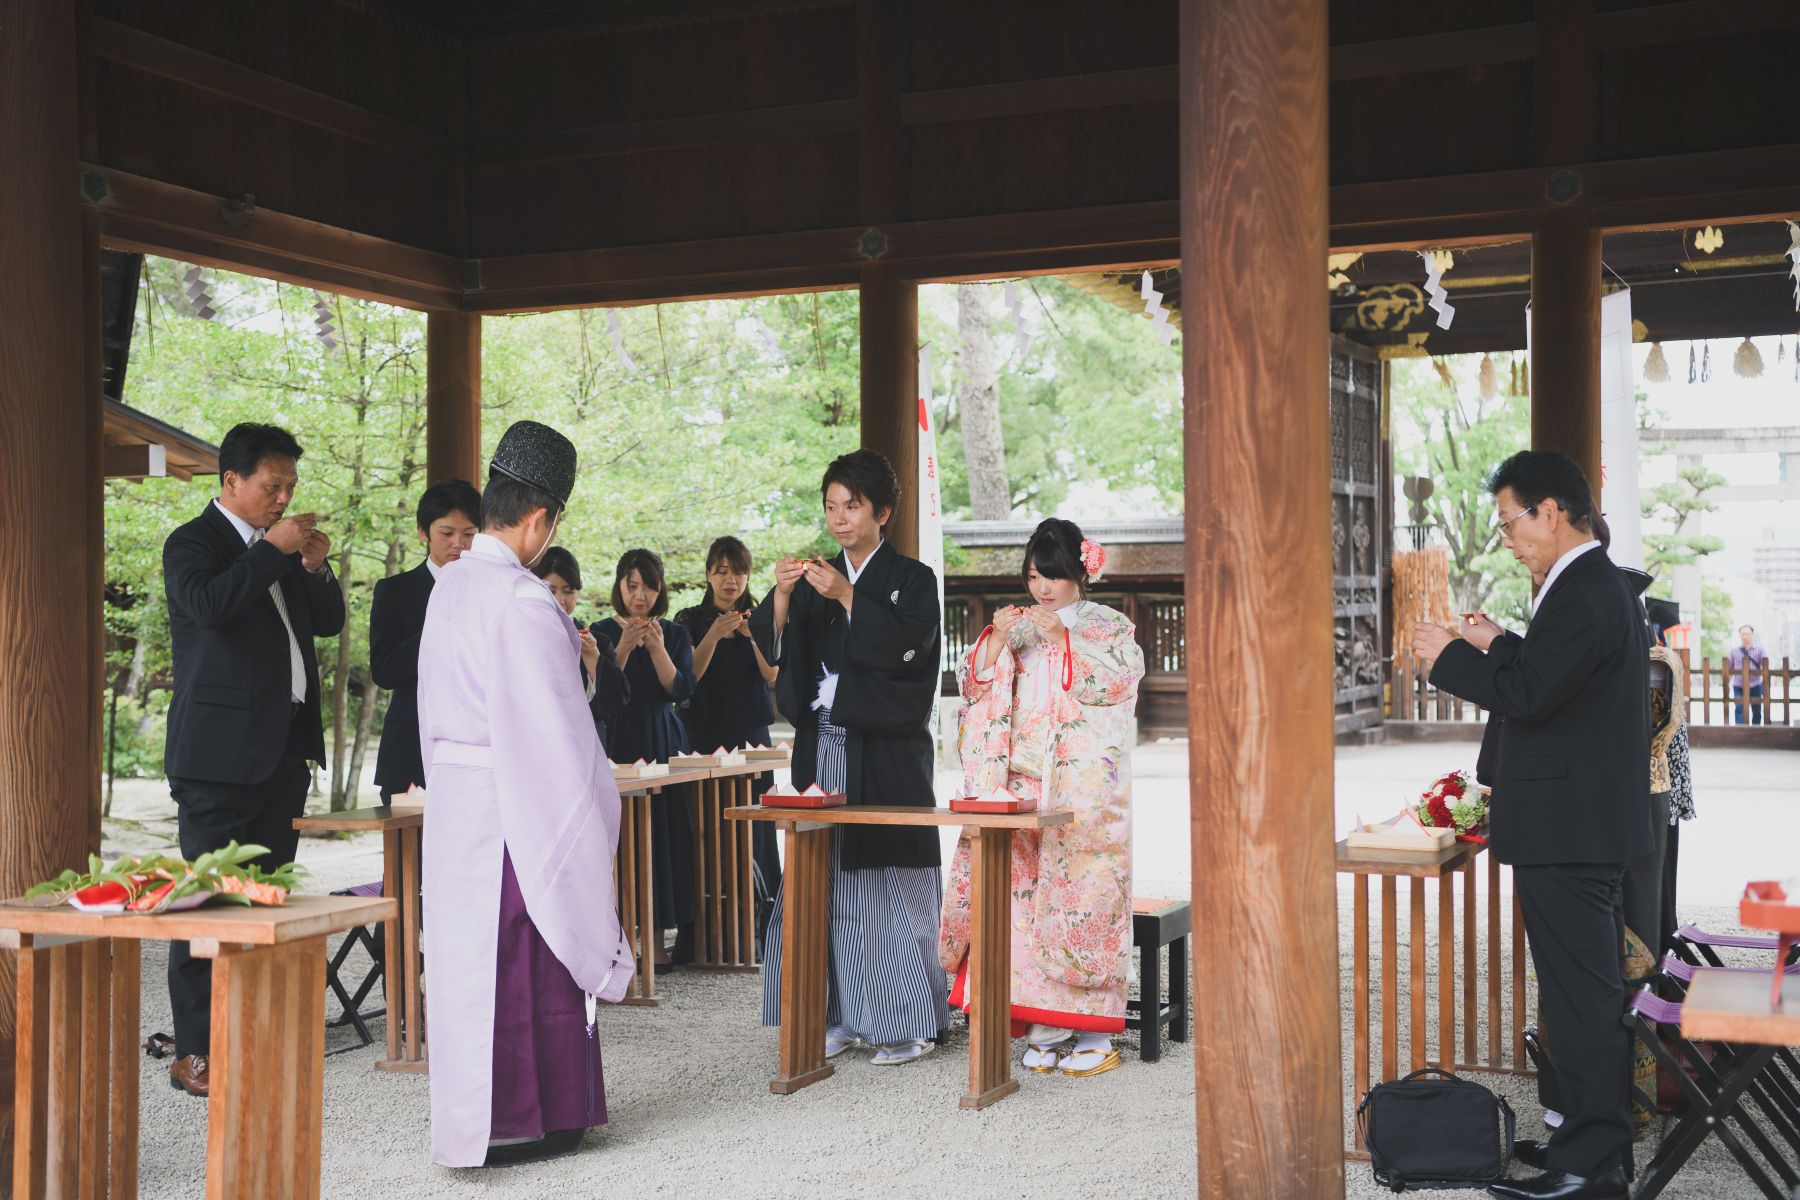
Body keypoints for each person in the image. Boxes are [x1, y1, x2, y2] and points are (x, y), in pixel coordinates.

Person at [1414, 450, 1648, 1200]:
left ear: (1549, 511)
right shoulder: (1588, 585)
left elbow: (1533, 693)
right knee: (1578, 994)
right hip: (1576, 823)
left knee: (1583, 1000)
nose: (1509, 540)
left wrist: (1447, 656)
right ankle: (1582, 1142)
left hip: (1571, 829)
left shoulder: (1584, 588)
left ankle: (1595, 1164)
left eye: (1511, 522)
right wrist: (1494, 642)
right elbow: (1553, 677)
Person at [416, 420, 633, 1168]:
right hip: (513, 801)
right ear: (541, 519)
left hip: (455, 800)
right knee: (527, 948)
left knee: (469, 961)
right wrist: (595, 798)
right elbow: (557, 733)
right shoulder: (524, 602)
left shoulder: (447, 588)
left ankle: (475, 1118)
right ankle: (532, 1119)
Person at [161, 422, 346, 1097]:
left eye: (290, 487)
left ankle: (257, 1034)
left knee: (265, 901)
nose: (284, 498)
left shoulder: (284, 552)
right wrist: (271, 551)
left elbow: (326, 625)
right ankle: (196, 1051)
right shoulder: (192, 543)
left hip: (283, 755)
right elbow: (209, 608)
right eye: (273, 486)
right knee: (205, 903)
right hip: (215, 759)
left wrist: (315, 570)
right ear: (231, 482)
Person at [750, 449, 948, 1066]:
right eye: (831, 507)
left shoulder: (912, 579)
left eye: (852, 506)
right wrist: (782, 602)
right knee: (820, 881)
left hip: (884, 753)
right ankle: (830, 1014)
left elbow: (910, 653)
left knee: (888, 886)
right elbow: (788, 667)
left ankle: (907, 1022)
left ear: (881, 512)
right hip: (823, 750)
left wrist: (848, 598)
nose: (839, 519)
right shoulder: (815, 580)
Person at [940, 519, 1144, 1077]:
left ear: (1082, 573)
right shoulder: (1022, 628)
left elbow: (1119, 685)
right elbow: (976, 688)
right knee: (1023, 907)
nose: (1043, 589)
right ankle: (1044, 1024)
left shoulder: (1108, 626)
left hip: (1080, 794)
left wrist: (1065, 641)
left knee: (1082, 902)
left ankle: (1094, 1032)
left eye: (1054, 576)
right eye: (1034, 576)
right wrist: (999, 639)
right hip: (1024, 783)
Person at [674, 536, 782, 941]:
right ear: (708, 575)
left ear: (747, 573)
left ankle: (761, 926)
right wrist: (715, 635)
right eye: (721, 571)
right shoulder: (689, 619)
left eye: (737, 571)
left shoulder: (763, 613)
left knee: (756, 828)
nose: (730, 579)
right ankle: (703, 929)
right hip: (702, 731)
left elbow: (772, 674)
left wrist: (754, 634)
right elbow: (687, 679)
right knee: (704, 826)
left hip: (751, 734)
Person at [594, 548, 698, 963]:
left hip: (661, 735)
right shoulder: (601, 629)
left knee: (662, 836)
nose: (640, 595)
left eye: (648, 586)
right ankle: (617, 944)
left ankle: (656, 946)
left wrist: (656, 649)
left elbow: (682, 689)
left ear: (660, 589)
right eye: (632, 585)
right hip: (616, 735)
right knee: (615, 838)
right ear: (619, 585)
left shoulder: (673, 633)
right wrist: (621, 645)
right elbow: (600, 689)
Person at [370, 479, 480, 800]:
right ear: (423, 532)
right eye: (447, 533)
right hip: (410, 748)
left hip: (476, 751)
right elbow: (384, 671)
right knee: (411, 850)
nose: (459, 544)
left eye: (470, 534)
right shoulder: (394, 591)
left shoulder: (492, 591)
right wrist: (438, 625)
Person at [532, 546, 631, 728]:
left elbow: (617, 699)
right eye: (551, 590)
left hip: (587, 742)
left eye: (568, 591)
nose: (560, 600)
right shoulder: (522, 636)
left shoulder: (598, 642)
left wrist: (592, 656)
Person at [1730, 624, 1767, 725]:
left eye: (1747, 634)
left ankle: (1756, 731)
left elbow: (1765, 667)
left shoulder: (1760, 650)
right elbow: (1730, 669)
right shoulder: (1734, 651)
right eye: (1743, 634)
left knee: (1757, 710)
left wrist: (1765, 684)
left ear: (1752, 635)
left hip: (1755, 684)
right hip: (1738, 685)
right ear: (1739, 635)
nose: (1745, 636)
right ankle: (1739, 730)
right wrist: (1725, 685)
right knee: (1739, 708)